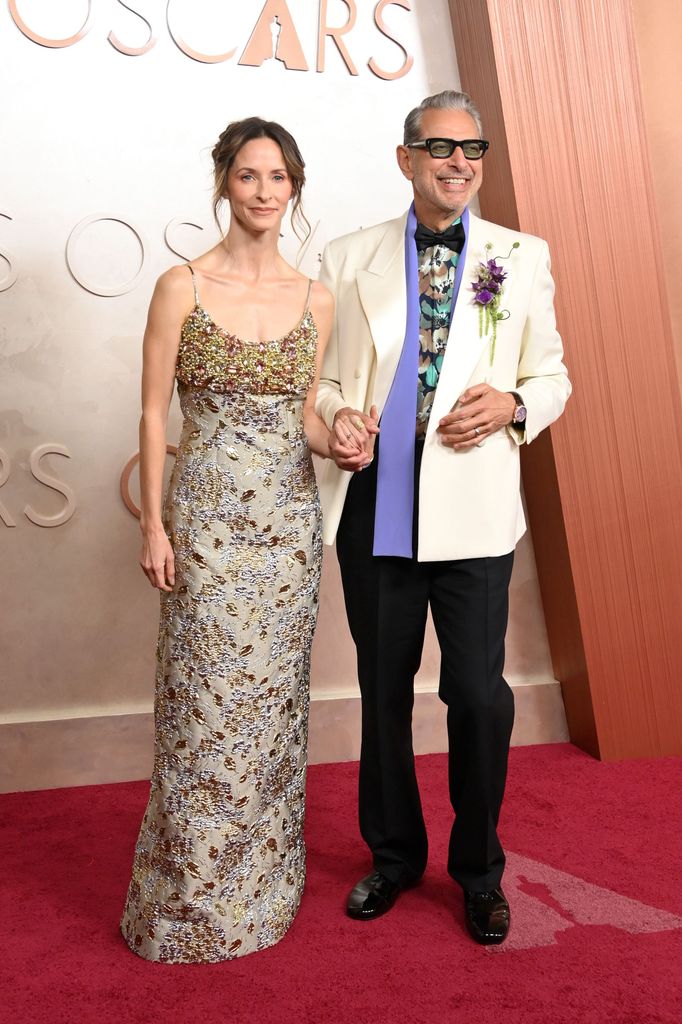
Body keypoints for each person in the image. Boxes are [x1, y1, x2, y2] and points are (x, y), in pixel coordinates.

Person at [315, 90, 571, 945]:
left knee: (478, 696)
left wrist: (512, 402)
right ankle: (391, 859)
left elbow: (552, 376)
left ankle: (479, 872)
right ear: (405, 159)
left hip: (474, 513)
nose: (459, 162)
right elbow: (313, 378)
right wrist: (336, 415)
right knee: (383, 694)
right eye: (439, 148)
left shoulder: (519, 256)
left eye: (473, 149)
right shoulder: (347, 256)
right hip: (376, 509)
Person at [121, 117, 333, 963]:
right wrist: (153, 523)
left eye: (278, 178)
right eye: (249, 176)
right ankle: (183, 907)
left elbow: (306, 420)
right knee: (203, 716)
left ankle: (256, 897)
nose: (264, 192)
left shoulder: (317, 298)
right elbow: (150, 411)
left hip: (287, 536)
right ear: (223, 183)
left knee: (270, 719)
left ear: (294, 189)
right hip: (205, 528)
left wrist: (345, 433)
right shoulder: (182, 286)